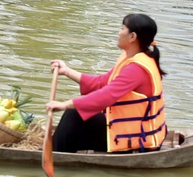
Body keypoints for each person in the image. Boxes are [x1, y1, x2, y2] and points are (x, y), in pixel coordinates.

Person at [45, 13, 167, 153]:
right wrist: (67, 71)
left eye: (122, 29)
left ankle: (56, 155)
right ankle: (59, 149)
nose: (118, 32)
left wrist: (64, 105)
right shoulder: (131, 58)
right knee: (76, 115)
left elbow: (105, 96)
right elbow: (102, 83)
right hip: (129, 130)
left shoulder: (137, 68)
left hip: (136, 139)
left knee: (73, 113)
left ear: (132, 37)